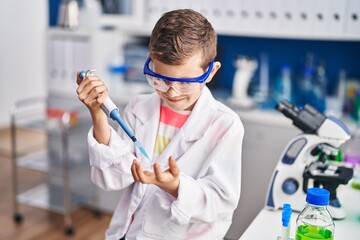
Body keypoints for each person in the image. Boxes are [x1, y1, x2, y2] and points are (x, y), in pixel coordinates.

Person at [76, 9, 244, 240]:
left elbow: (221, 202)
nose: (172, 92)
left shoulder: (225, 125)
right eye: (161, 79)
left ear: (210, 72)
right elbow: (114, 176)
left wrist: (175, 186)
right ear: (151, 62)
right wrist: (98, 113)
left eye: (185, 83)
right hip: (129, 233)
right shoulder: (139, 106)